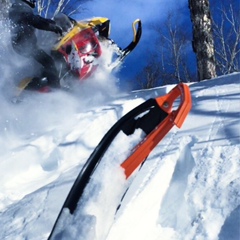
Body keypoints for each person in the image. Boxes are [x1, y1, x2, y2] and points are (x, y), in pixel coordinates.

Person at [8, 0, 63, 89]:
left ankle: (44, 82)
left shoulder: (16, 8)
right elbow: (35, 20)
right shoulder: (20, 7)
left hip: (23, 45)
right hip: (25, 46)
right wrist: (53, 26)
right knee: (49, 62)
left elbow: (32, 21)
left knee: (44, 58)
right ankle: (56, 90)